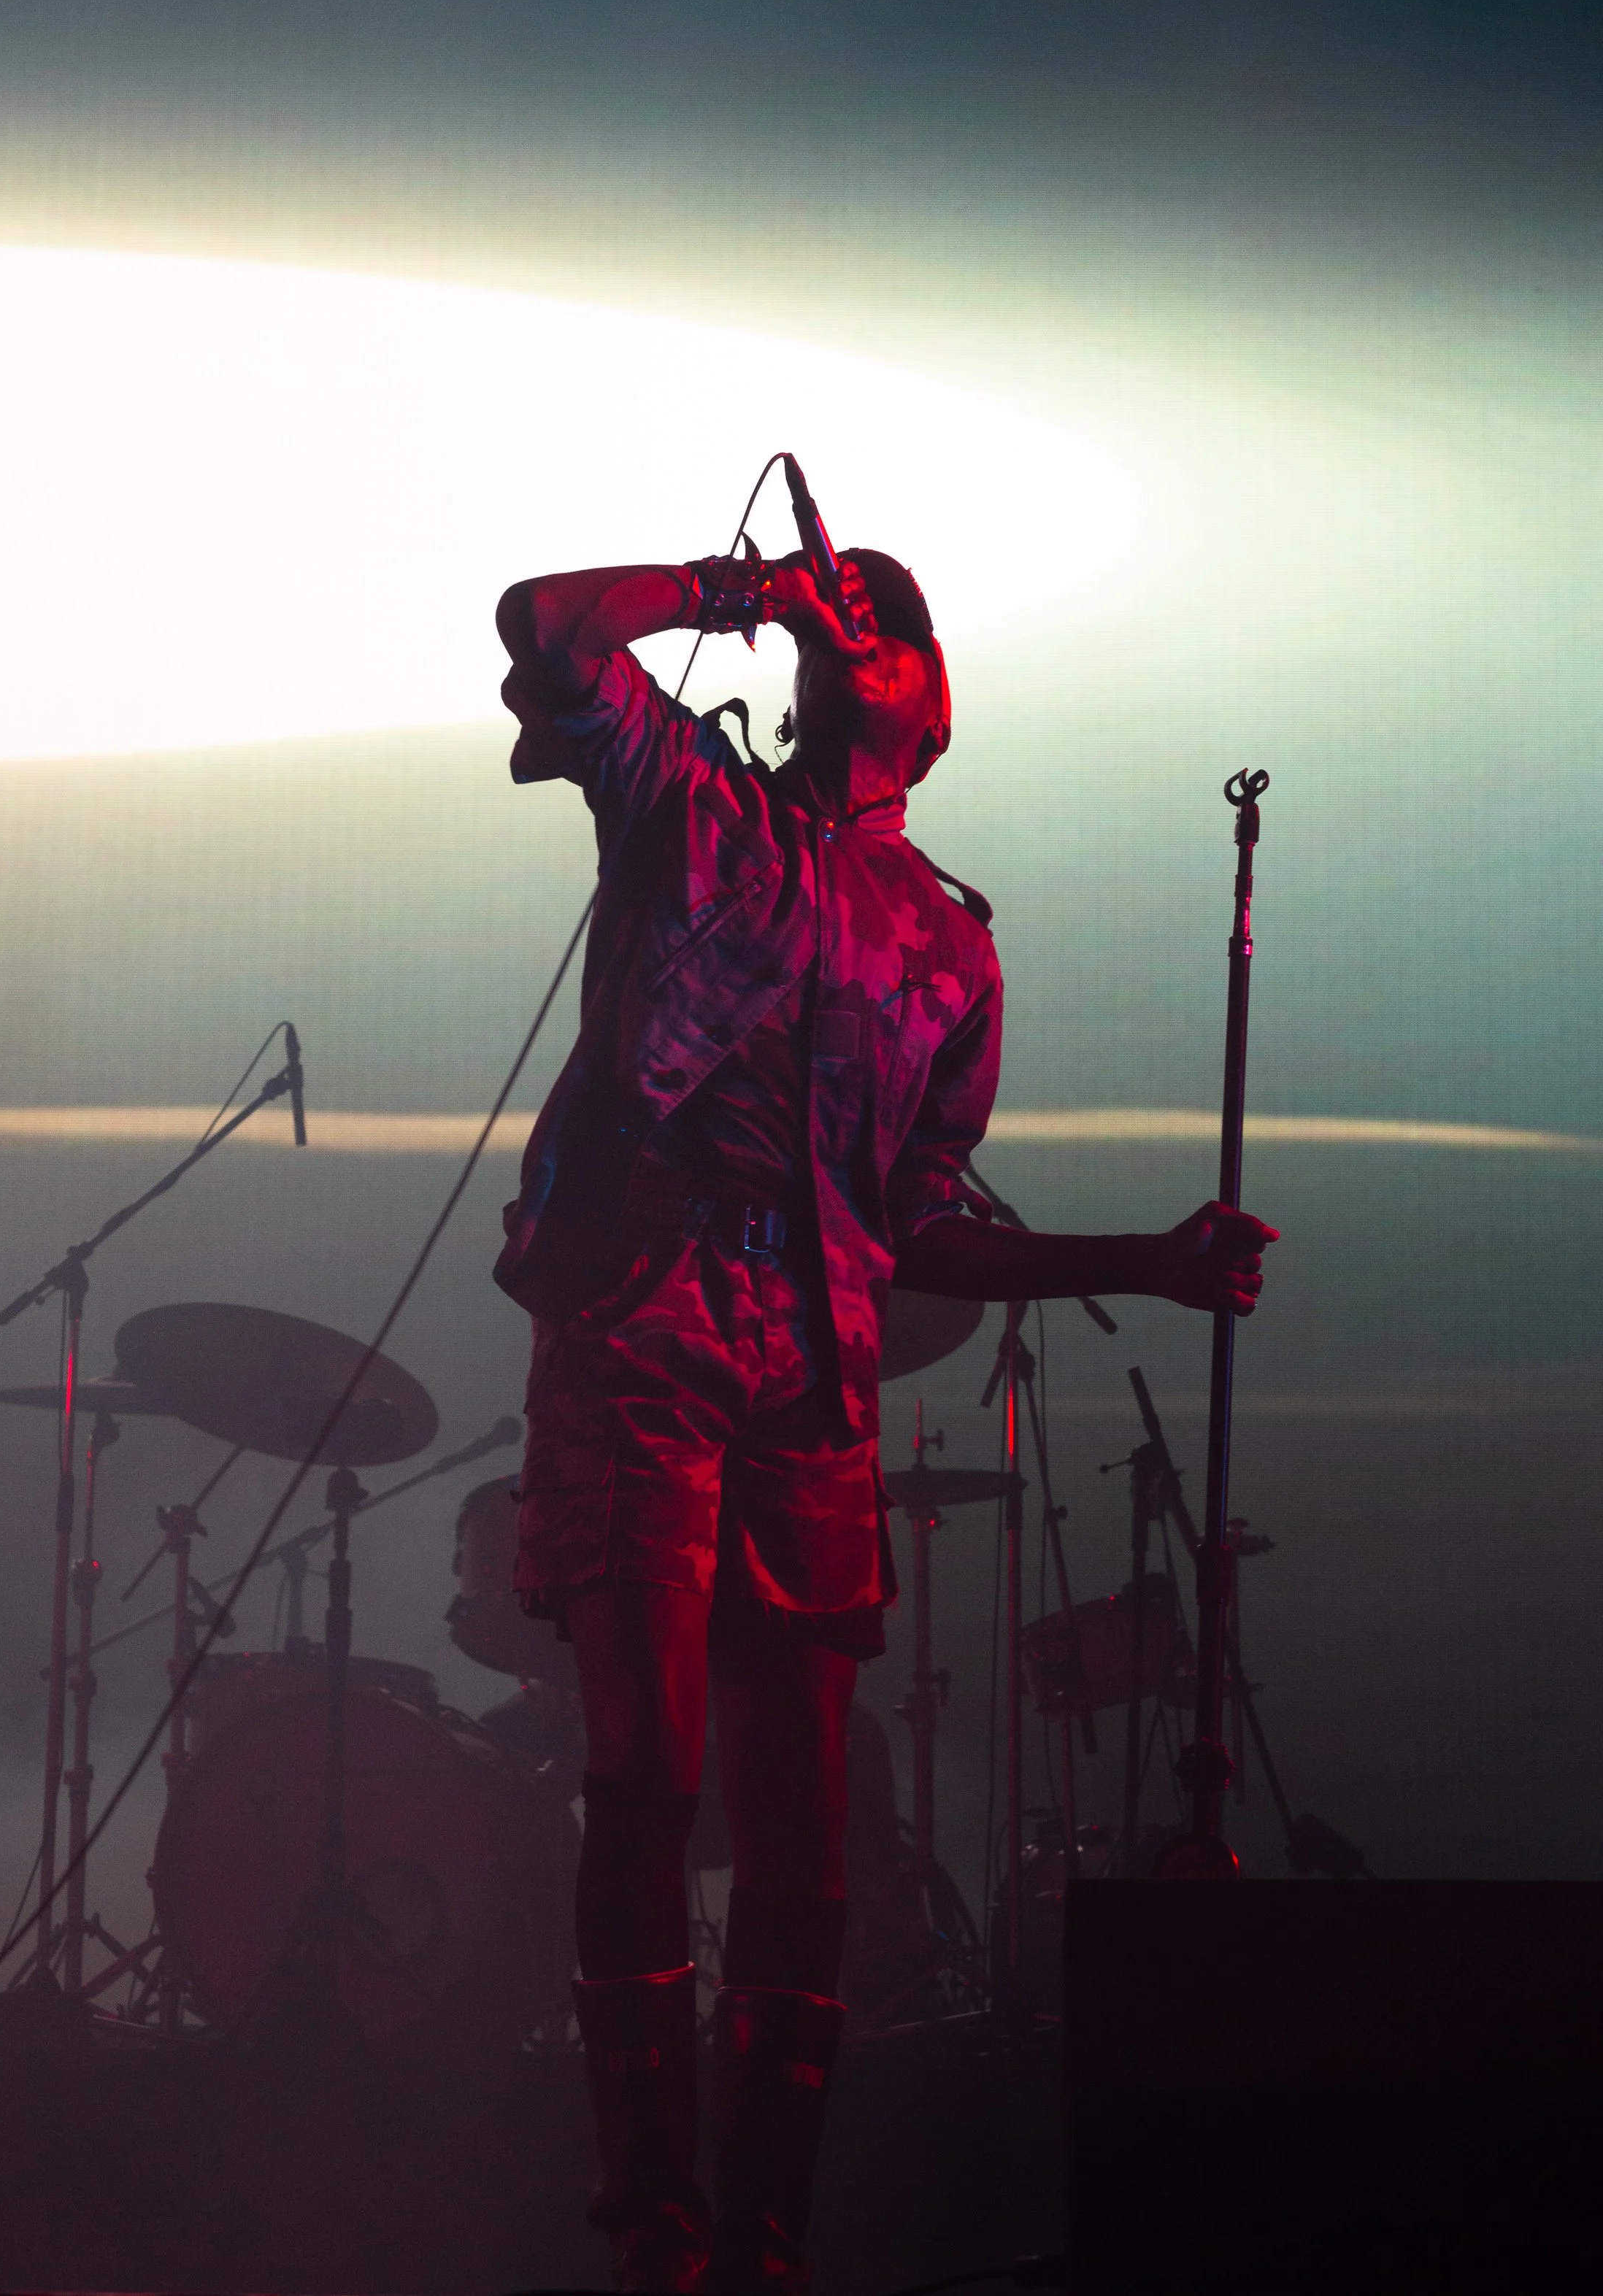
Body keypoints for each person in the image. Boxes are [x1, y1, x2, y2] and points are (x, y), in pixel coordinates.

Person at [494, 539, 1277, 2293]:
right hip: (645, 1322)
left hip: (813, 1372)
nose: (871, 633)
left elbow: (920, 1216)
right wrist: (732, 587)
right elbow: (544, 624)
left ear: (931, 707)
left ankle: (762, 2232)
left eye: (900, 627)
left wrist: (1145, 1259)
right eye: (858, 616)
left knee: (803, 1827)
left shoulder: (947, 949)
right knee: (643, 1770)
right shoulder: (692, 805)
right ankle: (654, 2227)